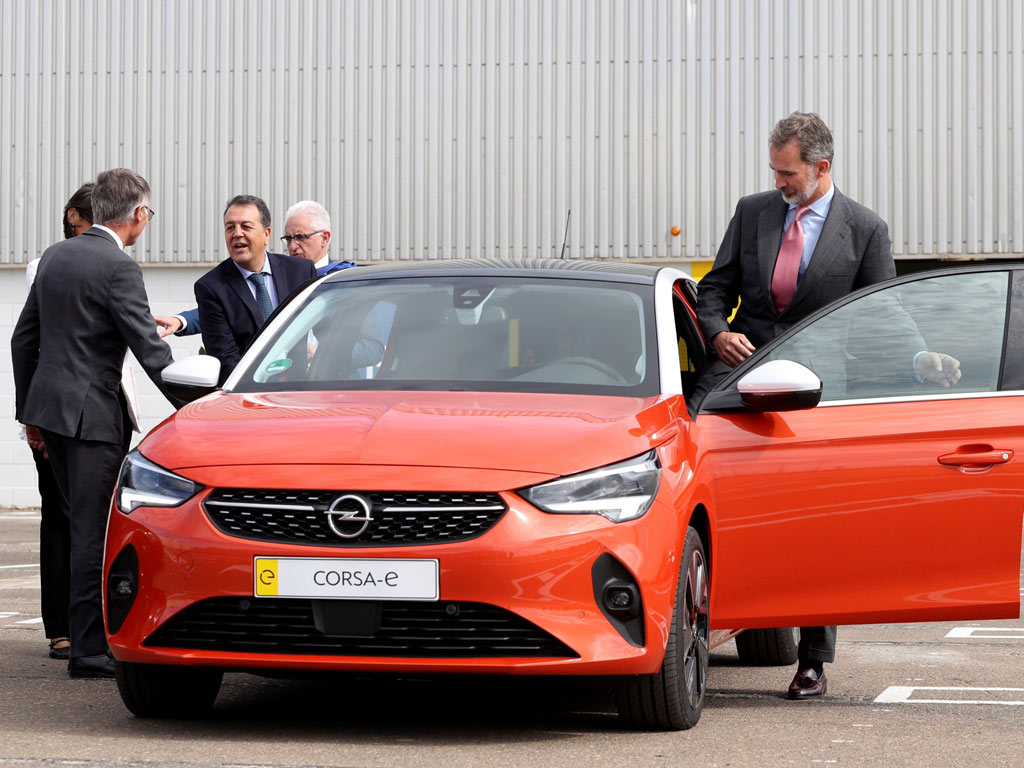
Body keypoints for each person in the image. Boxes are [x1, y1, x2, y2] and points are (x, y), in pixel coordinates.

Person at [693, 112, 957, 701]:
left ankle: (813, 657)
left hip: (816, 389)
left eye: (788, 174)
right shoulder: (752, 210)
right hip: (738, 377)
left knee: (813, 519)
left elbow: (881, 315)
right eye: (775, 172)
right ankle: (696, 627)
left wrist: (920, 361)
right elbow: (715, 289)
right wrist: (716, 335)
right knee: (701, 490)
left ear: (821, 168)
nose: (779, 183)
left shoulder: (866, 230)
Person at [11, 168, 177, 679]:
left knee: (77, 525)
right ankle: (88, 649)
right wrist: (198, 406)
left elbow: (23, 341)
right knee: (92, 532)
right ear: (138, 216)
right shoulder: (119, 266)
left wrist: (28, 414)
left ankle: (88, 638)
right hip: (92, 418)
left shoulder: (57, 256)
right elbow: (149, 350)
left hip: (52, 415)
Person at [19, 184, 95, 661]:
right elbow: (29, 342)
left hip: (99, 410)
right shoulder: (44, 265)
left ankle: (91, 623)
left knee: (90, 518)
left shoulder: (111, 262)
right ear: (72, 217)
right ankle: (60, 626)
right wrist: (30, 416)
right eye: (90, 218)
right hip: (52, 412)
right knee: (61, 514)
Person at [155, 199, 353, 337]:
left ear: (324, 238)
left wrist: (322, 354)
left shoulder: (346, 282)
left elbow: (366, 343)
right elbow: (237, 308)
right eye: (288, 238)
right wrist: (183, 321)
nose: (292, 246)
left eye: (300, 237)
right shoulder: (282, 274)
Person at [194, 195, 317, 383]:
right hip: (249, 396)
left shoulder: (301, 271)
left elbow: (328, 330)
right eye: (230, 227)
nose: (236, 233)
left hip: (301, 391)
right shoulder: (211, 288)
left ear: (266, 234)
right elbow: (226, 359)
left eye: (246, 226)